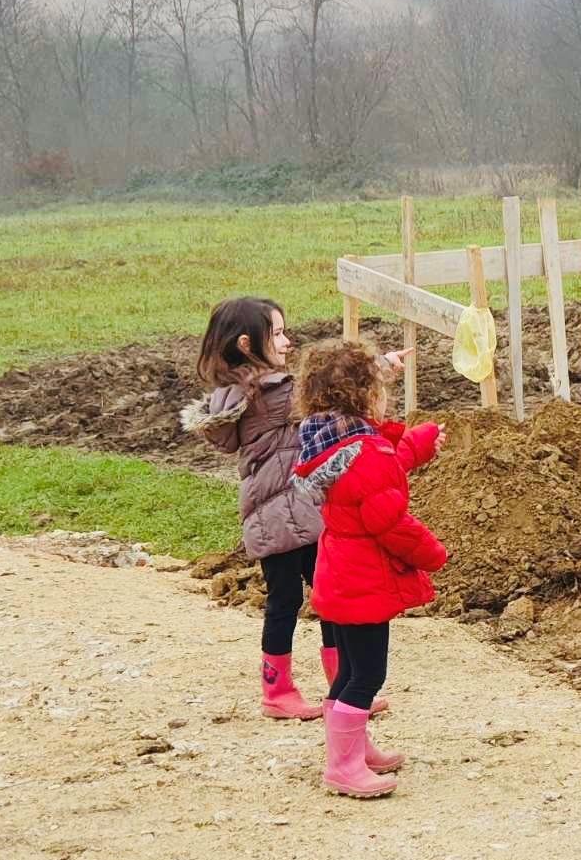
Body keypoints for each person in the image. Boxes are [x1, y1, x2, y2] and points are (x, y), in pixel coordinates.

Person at [292, 338, 447, 799]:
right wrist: (431, 553)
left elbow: (376, 472)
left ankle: (354, 750)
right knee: (367, 675)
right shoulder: (366, 453)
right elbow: (389, 520)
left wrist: (417, 445)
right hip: (364, 581)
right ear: (365, 396)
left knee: (347, 672)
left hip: (337, 573)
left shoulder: (330, 440)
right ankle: (342, 767)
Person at [182, 297, 335, 720]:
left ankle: (287, 689)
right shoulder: (272, 393)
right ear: (249, 343)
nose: (288, 341)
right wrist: (377, 369)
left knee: (292, 598)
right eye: (280, 333)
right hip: (287, 512)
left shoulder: (240, 394)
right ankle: (315, 690)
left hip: (285, 513)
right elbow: (327, 395)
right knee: (323, 595)